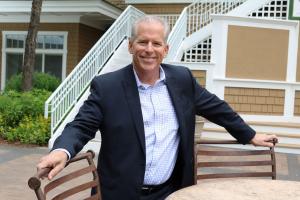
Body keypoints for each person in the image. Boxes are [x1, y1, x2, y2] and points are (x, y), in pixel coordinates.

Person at [37, 15, 277, 200]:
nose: (149, 49)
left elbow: (217, 109)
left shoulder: (182, 80)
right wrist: (62, 151)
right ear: (131, 46)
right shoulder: (107, 87)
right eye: (142, 42)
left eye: (156, 43)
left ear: (165, 49)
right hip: (121, 194)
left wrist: (250, 135)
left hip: (171, 192)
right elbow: (81, 126)